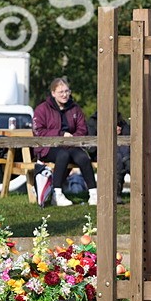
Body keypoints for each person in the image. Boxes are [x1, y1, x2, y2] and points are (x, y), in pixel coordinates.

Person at [33, 77, 97, 206]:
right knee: (63, 155)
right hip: (49, 146)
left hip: (71, 144)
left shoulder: (75, 108)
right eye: (61, 92)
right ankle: (57, 194)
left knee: (83, 157)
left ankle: (94, 193)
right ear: (53, 93)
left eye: (67, 91)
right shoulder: (42, 109)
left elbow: (82, 128)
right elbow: (38, 131)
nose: (64, 95)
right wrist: (61, 134)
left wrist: (73, 138)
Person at [88, 110, 130, 202]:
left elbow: (128, 134)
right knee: (119, 158)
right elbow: (92, 144)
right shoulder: (93, 121)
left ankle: (118, 193)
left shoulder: (119, 118)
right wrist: (110, 132)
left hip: (122, 152)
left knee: (122, 157)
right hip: (101, 151)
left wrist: (120, 130)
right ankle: (116, 193)